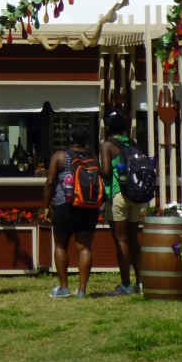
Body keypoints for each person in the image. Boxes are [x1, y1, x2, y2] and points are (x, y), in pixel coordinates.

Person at [41, 125, 100, 297]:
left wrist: (46, 205)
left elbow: (50, 182)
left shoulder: (60, 156)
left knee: (60, 245)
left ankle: (64, 287)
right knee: (85, 248)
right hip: (89, 207)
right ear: (86, 140)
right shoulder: (93, 157)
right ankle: (82, 290)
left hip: (64, 205)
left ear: (69, 139)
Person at [99, 109, 143, 296]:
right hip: (135, 195)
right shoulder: (132, 143)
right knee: (134, 240)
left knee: (121, 240)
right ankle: (141, 282)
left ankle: (126, 284)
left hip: (117, 194)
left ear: (108, 127)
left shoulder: (107, 145)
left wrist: (96, 170)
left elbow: (107, 171)